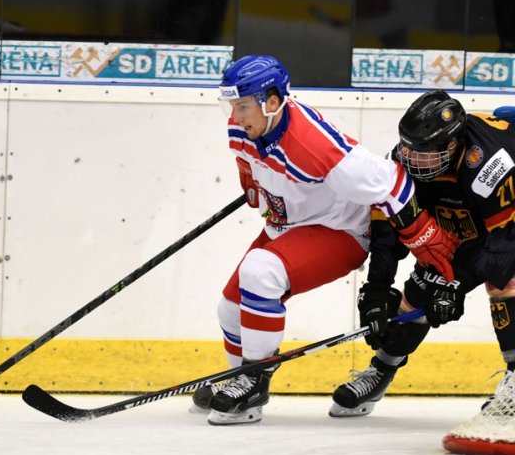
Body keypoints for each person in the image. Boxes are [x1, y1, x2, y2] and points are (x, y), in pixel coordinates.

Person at [191, 56, 459, 425]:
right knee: (230, 308)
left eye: (242, 105)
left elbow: (393, 181)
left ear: (272, 102)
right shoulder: (243, 127)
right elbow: (247, 159)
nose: (235, 116)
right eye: (231, 105)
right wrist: (251, 180)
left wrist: (420, 233)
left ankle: (253, 385)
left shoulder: (317, 146)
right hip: (287, 225)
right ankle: (236, 380)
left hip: (340, 231)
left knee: (260, 272)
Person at [329, 90, 515, 418]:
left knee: (504, 282)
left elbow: (506, 243)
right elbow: (388, 232)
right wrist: (376, 287)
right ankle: (382, 370)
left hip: (506, 229)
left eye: (423, 151)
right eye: (407, 146)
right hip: (468, 227)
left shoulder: (488, 162)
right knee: (418, 296)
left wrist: (456, 286)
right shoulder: (403, 159)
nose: (411, 158)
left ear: (453, 144)